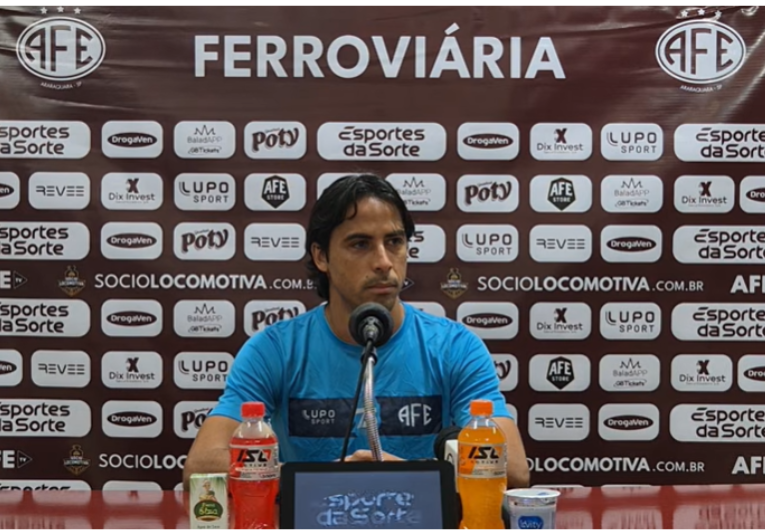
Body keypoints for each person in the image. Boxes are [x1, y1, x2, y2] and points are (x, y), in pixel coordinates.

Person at [183, 174, 529, 489]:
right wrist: (326, 480)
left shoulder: (455, 347)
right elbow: (201, 466)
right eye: (360, 244)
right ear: (321, 256)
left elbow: (514, 469)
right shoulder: (274, 350)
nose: (383, 262)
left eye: (394, 241)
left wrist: (412, 477)